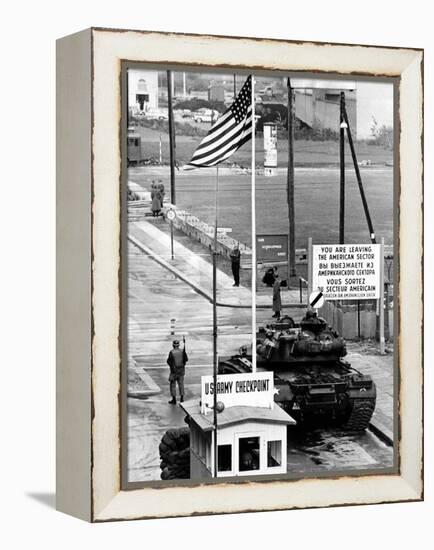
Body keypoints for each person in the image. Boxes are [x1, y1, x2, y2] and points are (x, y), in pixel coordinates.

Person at [167, 339, 188, 404]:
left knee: (173, 385)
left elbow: (168, 361)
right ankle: (182, 398)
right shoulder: (182, 351)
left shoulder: (171, 352)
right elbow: (186, 359)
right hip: (181, 370)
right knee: (181, 384)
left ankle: (174, 399)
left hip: (174, 371)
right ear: (178, 345)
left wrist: (171, 367)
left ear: (173, 345)